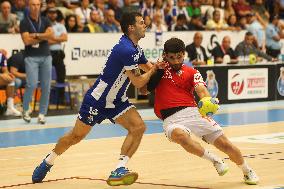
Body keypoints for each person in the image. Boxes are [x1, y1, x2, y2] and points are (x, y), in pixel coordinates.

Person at [31, 12, 163, 186]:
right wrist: (153, 73)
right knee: (75, 137)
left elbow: (147, 67)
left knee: (138, 127)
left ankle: (119, 169)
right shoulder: (126, 49)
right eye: (141, 22)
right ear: (131, 27)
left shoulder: (136, 49)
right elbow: (139, 82)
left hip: (116, 101)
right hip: (98, 101)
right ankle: (49, 160)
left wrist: (161, 69)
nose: (145, 25)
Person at [147, 37, 259, 185]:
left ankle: (247, 170)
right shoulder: (157, 70)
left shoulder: (192, 72)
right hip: (171, 119)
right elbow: (144, 88)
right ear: (165, 55)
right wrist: (155, 69)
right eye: (171, 58)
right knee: (180, 136)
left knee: (226, 145)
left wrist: (207, 102)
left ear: (184, 54)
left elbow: (202, 90)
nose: (175, 61)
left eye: (179, 57)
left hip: (194, 113)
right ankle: (215, 160)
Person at [20, 0, 53, 124]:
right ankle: (25, 110)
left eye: (38, 4)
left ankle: (42, 114)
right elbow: (26, 41)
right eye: (33, 5)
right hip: (31, 57)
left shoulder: (45, 20)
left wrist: (36, 35)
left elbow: (51, 35)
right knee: (31, 84)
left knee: (46, 86)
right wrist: (44, 36)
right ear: (29, 6)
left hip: (46, 56)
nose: (35, 7)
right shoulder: (24, 22)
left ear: (40, 6)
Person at [47, 7, 68, 104]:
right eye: (50, 12)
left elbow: (65, 38)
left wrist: (52, 38)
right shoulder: (45, 25)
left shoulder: (60, 25)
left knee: (61, 76)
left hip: (58, 54)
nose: (52, 14)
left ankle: (61, 98)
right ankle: (46, 99)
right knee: (45, 76)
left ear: (56, 14)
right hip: (47, 53)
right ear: (48, 14)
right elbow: (46, 41)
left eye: (54, 13)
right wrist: (58, 38)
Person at [0, 51, 22, 116]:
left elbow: (5, 70)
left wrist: (8, 75)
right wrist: (1, 75)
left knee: (10, 80)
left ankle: (10, 107)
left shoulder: (1, 56)